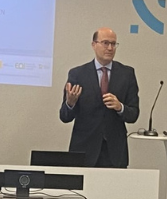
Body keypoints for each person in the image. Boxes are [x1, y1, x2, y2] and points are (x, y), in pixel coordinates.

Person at [58, 28, 139, 169]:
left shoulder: (127, 74)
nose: (110, 48)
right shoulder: (78, 74)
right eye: (105, 43)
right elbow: (64, 117)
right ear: (94, 44)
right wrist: (70, 103)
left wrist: (120, 107)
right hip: (84, 150)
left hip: (114, 152)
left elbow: (133, 114)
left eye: (113, 44)